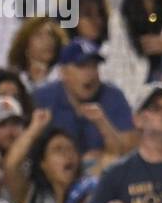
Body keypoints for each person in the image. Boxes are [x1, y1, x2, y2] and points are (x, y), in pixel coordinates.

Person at [34, 38, 137, 169]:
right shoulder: (43, 98)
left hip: (103, 175)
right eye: (81, 66)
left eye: (94, 66)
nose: (90, 74)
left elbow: (130, 148)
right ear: (63, 72)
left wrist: (102, 123)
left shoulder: (113, 96)